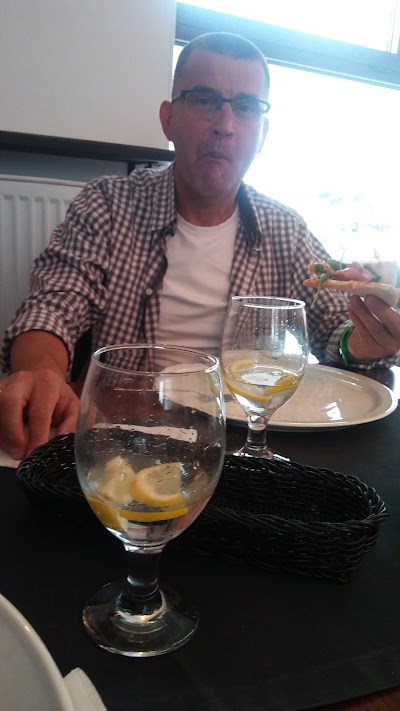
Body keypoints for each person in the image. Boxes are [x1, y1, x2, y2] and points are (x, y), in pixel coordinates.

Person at [0, 32, 399, 459]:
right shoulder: (109, 204)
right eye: (205, 100)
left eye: (246, 107)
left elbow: (334, 330)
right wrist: (40, 371)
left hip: (236, 440)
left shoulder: (285, 228)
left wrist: (363, 340)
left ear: (262, 132)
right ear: (168, 119)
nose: (225, 125)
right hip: (124, 428)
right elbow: (54, 304)